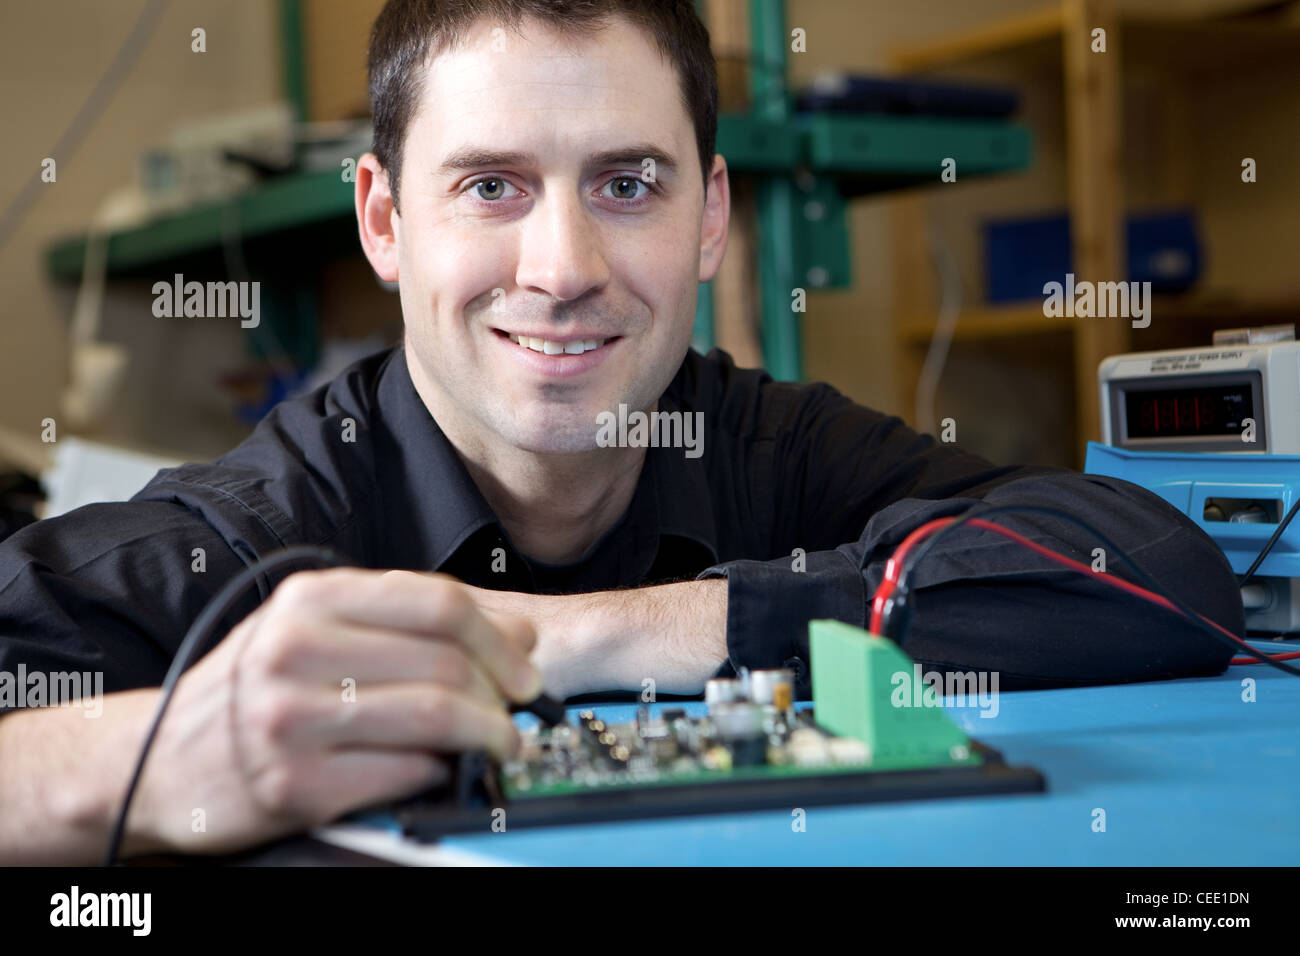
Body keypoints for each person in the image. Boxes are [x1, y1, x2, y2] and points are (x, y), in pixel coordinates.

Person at [0, 0, 1242, 864]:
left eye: (626, 184)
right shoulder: (262, 528)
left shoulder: (766, 446)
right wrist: (164, 758)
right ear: (383, 222)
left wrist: (577, 631)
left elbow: (1160, 573)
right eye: (490, 185)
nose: (562, 269)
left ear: (709, 219)